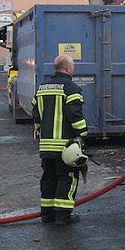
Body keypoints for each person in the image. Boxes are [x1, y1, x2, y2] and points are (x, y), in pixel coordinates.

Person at [32, 54, 88, 226]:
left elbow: (36, 115)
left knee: (48, 178)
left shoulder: (42, 88)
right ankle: (63, 216)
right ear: (68, 68)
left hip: (46, 146)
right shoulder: (71, 88)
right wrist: (83, 134)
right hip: (65, 146)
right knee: (67, 178)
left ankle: (47, 215)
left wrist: (40, 132)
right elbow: (75, 115)